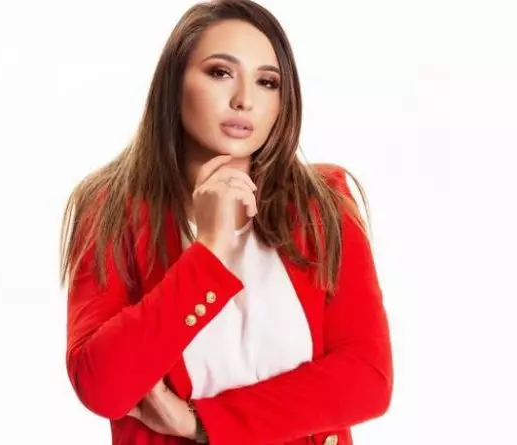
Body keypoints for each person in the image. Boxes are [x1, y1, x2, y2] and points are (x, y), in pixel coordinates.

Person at [59, 1, 393, 444]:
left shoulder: (323, 203)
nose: (244, 100)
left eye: (267, 82)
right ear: (174, 82)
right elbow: (102, 385)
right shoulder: (110, 207)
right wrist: (210, 251)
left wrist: (201, 422)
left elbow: (368, 379)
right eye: (220, 72)